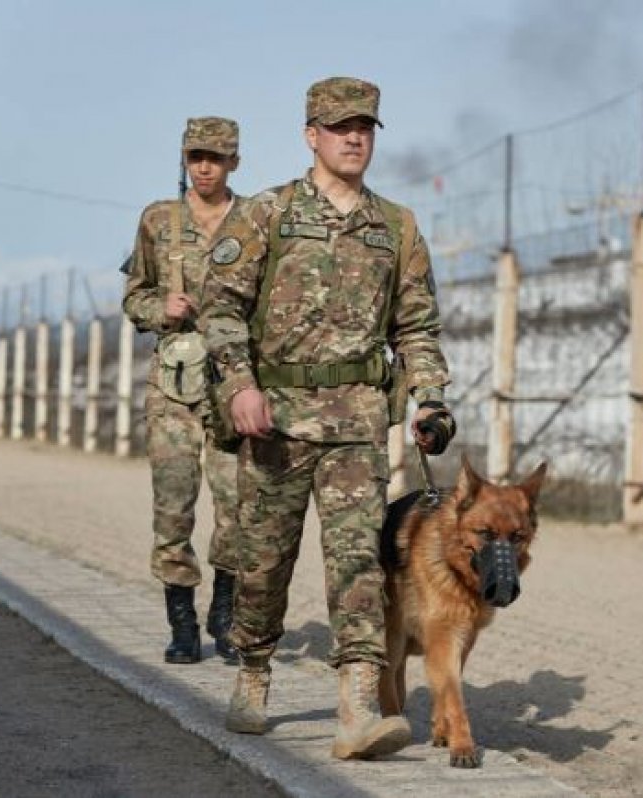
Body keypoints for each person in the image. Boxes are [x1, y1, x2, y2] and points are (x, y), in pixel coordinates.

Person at [200, 77, 454, 760]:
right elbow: (220, 306)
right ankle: (253, 673)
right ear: (311, 134)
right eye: (340, 127)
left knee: (358, 565)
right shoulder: (266, 213)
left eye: (365, 128)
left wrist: (429, 399)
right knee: (263, 564)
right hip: (274, 421)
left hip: (356, 426)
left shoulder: (395, 227)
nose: (354, 138)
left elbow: (417, 326)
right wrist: (239, 386)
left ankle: (358, 709)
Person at [122, 117, 245, 665]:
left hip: (234, 382)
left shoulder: (253, 221)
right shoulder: (159, 221)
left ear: (232, 163)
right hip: (174, 385)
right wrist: (158, 309)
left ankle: (225, 609)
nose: (203, 168)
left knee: (238, 506)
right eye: (196, 156)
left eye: (214, 158)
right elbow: (134, 296)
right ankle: (182, 623)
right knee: (173, 506)